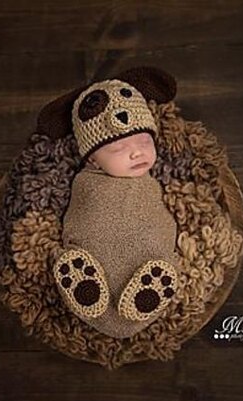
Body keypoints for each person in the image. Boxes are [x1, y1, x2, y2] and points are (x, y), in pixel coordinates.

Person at [52, 76, 180, 338]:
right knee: (79, 251)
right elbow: (80, 217)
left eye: (144, 141)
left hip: (146, 261)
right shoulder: (85, 182)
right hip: (95, 257)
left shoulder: (153, 182)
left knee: (161, 256)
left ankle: (148, 293)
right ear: (93, 160)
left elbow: (161, 218)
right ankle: (84, 286)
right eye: (118, 147)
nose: (137, 153)